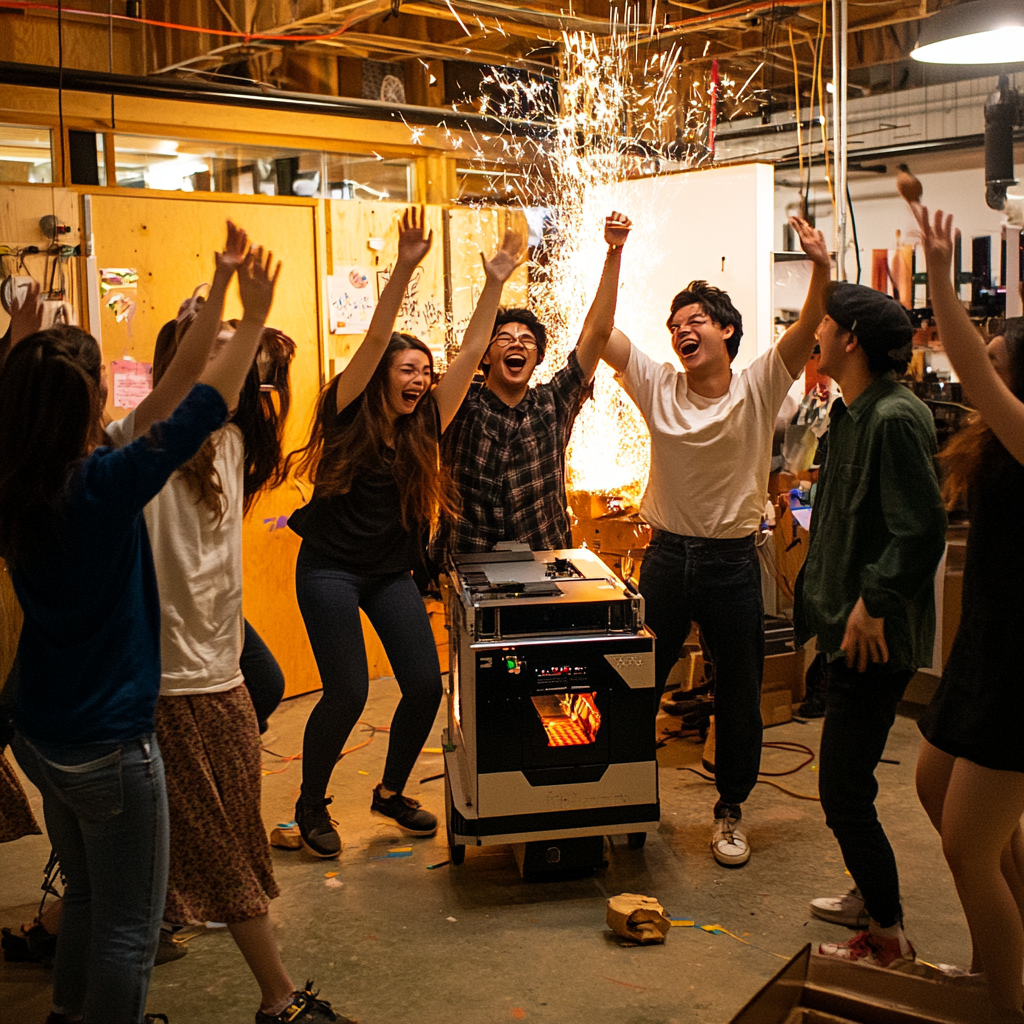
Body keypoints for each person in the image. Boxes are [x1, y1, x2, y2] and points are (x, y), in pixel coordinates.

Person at [0, 244, 267, 1023]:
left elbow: (168, 396)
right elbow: (203, 404)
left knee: (86, 893)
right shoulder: (104, 487)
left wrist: (215, 287)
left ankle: (68, 1013)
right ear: (86, 407)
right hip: (111, 742)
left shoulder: (22, 476)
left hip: (41, 733)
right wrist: (246, 313)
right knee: (128, 928)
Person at [106, 239, 345, 1024]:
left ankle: (79, 917)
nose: (224, 356)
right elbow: (173, 391)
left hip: (222, 670)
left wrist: (257, 334)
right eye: (205, 344)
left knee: (203, 828)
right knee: (225, 841)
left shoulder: (237, 443)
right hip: (168, 682)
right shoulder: (132, 444)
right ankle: (279, 999)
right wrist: (217, 292)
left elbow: (246, 383)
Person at [286, 208, 527, 858]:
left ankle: (390, 792)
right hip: (329, 569)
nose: (421, 379)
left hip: (388, 571)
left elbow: (472, 352)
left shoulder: (425, 428)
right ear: (381, 379)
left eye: (426, 371)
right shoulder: (344, 414)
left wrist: (494, 282)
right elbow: (371, 343)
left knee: (424, 684)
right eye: (408, 370)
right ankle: (311, 804)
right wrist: (407, 267)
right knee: (349, 690)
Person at [601, 216, 831, 868]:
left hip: (732, 563)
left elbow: (808, 329)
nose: (681, 329)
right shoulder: (656, 384)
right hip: (667, 559)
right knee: (635, 682)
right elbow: (599, 336)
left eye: (695, 317)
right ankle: (620, 793)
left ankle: (730, 810)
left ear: (726, 330)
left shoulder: (759, 385)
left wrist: (820, 267)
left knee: (738, 696)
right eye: (674, 323)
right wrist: (614, 256)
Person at [795, 281, 947, 970]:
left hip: (873, 640)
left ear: (850, 339)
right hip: (845, 629)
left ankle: (886, 934)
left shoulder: (895, 418)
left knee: (843, 790)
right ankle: (870, 893)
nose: (817, 333)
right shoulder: (852, 413)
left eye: (825, 323)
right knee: (850, 782)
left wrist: (873, 601)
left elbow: (921, 530)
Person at [911, 204, 1024, 1019]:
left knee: (966, 846)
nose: (984, 346)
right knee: (931, 784)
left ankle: (1004, 1000)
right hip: (983, 652)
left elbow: (960, 355)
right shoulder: (997, 433)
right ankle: (1002, 957)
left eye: (998, 346)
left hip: (1021, 667)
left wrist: (942, 274)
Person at [438, 213, 634, 555]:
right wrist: (495, 283)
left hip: (544, 560)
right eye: (504, 338)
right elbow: (468, 352)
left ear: (539, 357)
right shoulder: (461, 406)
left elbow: (598, 333)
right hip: (468, 562)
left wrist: (614, 252)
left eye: (528, 340)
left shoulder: (553, 404)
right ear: (486, 356)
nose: (517, 344)